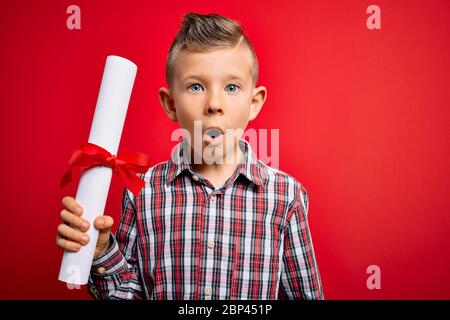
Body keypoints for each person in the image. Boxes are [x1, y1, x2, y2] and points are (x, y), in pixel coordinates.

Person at [56, 12, 323, 300]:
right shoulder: (141, 192)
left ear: (254, 103)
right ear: (170, 104)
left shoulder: (286, 197)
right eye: (196, 86)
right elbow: (127, 294)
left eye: (231, 87)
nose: (214, 104)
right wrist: (101, 253)